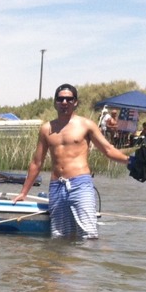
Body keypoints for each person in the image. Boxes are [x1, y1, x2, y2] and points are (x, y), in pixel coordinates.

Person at [13, 83, 131, 240]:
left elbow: (108, 150)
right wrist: (24, 193)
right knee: (60, 237)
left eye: (69, 99)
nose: (64, 102)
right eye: (60, 99)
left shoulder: (86, 125)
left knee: (89, 235)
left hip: (80, 184)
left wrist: (130, 161)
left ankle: (88, 257)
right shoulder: (46, 129)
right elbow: (37, 162)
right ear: (55, 102)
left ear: (75, 102)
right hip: (56, 186)